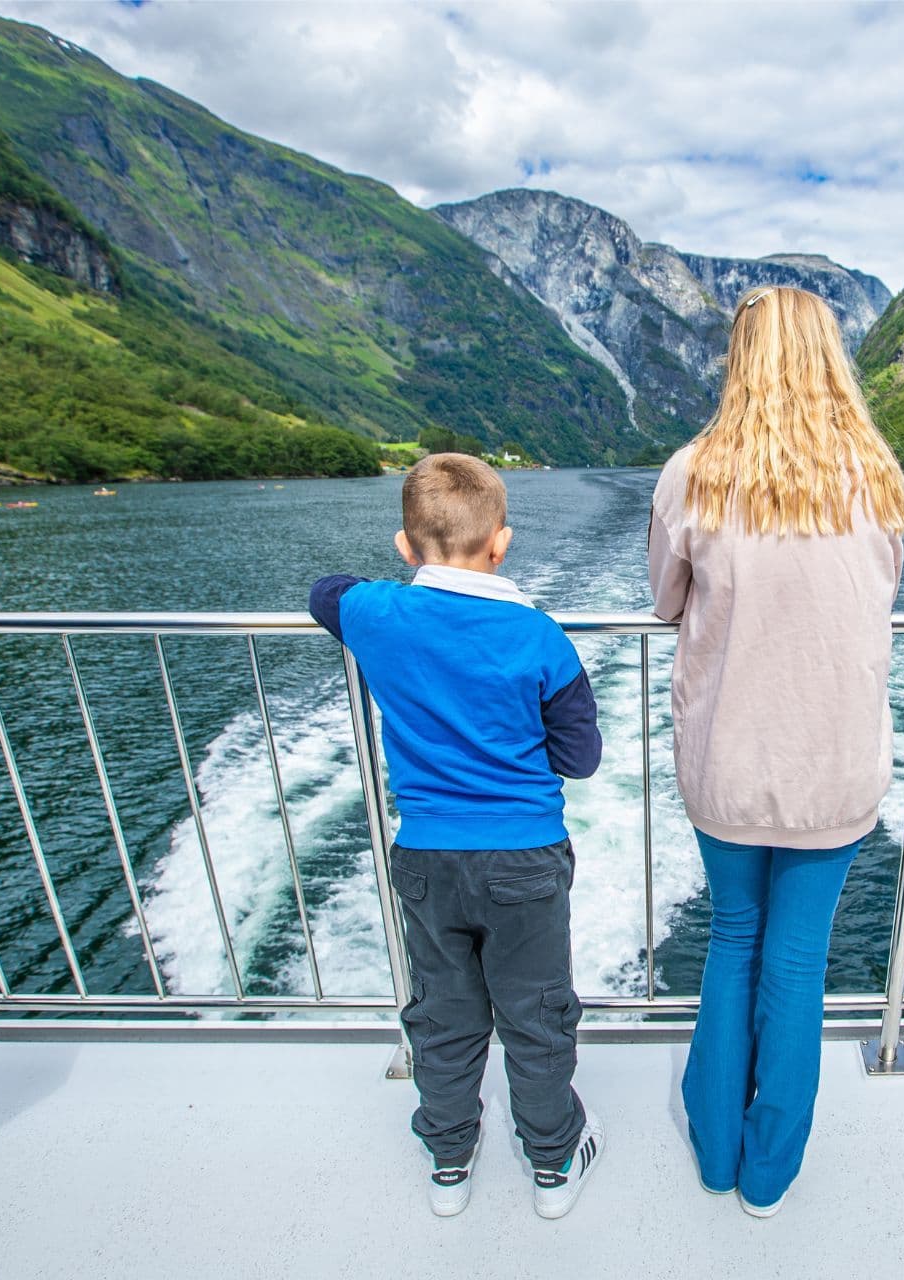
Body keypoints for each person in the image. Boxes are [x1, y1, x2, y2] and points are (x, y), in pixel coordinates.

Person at [648, 285, 904, 1217]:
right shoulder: (877, 475)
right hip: (834, 763)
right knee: (798, 962)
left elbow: (665, 601)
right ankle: (768, 1177)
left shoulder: (693, 472)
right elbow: (880, 593)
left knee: (733, 940)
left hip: (729, 757)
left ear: (739, 359)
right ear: (830, 357)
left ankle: (716, 1155)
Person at [309, 454, 604, 1220]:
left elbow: (325, 592)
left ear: (405, 547)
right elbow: (580, 757)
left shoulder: (377, 614)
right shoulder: (540, 637)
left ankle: (449, 1159)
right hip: (524, 860)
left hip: (428, 859)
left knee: (443, 1015)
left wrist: (395, 579)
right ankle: (552, 1162)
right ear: (501, 543)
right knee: (536, 1016)